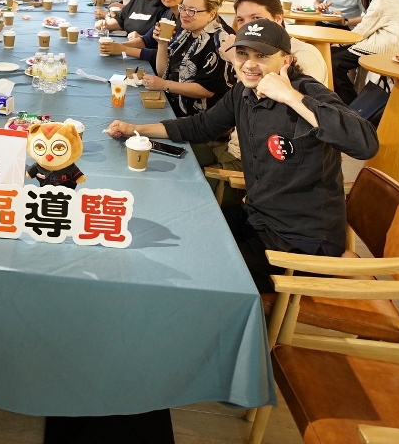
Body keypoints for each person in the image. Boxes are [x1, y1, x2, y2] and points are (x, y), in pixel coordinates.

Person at [106, 19, 379, 293]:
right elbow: (201, 126)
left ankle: (332, 267)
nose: (249, 64)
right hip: (257, 217)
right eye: (242, 54)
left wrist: (290, 97)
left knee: (198, 272)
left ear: (286, 60)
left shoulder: (307, 92)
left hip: (300, 239)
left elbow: (365, 144)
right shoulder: (243, 91)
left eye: (262, 56)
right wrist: (135, 129)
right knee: (179, 233)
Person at [140, 0, 235, 166]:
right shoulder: (186, 33)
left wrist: (165, 85)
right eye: (183, 8)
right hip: (173, 110)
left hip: (200, 127)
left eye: (192, 11)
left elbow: (206, 90)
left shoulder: (220, 42)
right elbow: (162, 72)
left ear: (211, 14)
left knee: (145, 148)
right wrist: (162, 44)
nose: (184, 14)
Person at [329, 0, 399, 105]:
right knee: (334, 55)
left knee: (334, 62)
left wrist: (341, 43)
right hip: (385, 41)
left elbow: (364, 28)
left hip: (384, 44)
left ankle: (350, 104)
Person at [222, 0, 328, 83]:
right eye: (240, 20)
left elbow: (298, 96)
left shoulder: (305, 55)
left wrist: (234, 60)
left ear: (277, 19)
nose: (248, 26)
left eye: (256, 18)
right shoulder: (240, 50)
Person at [108, 0, 185, 68]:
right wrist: (117, 46)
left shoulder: (187, 20)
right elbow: (147, 40)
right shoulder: (168, 13)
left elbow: (167, 56)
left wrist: (124, 49)